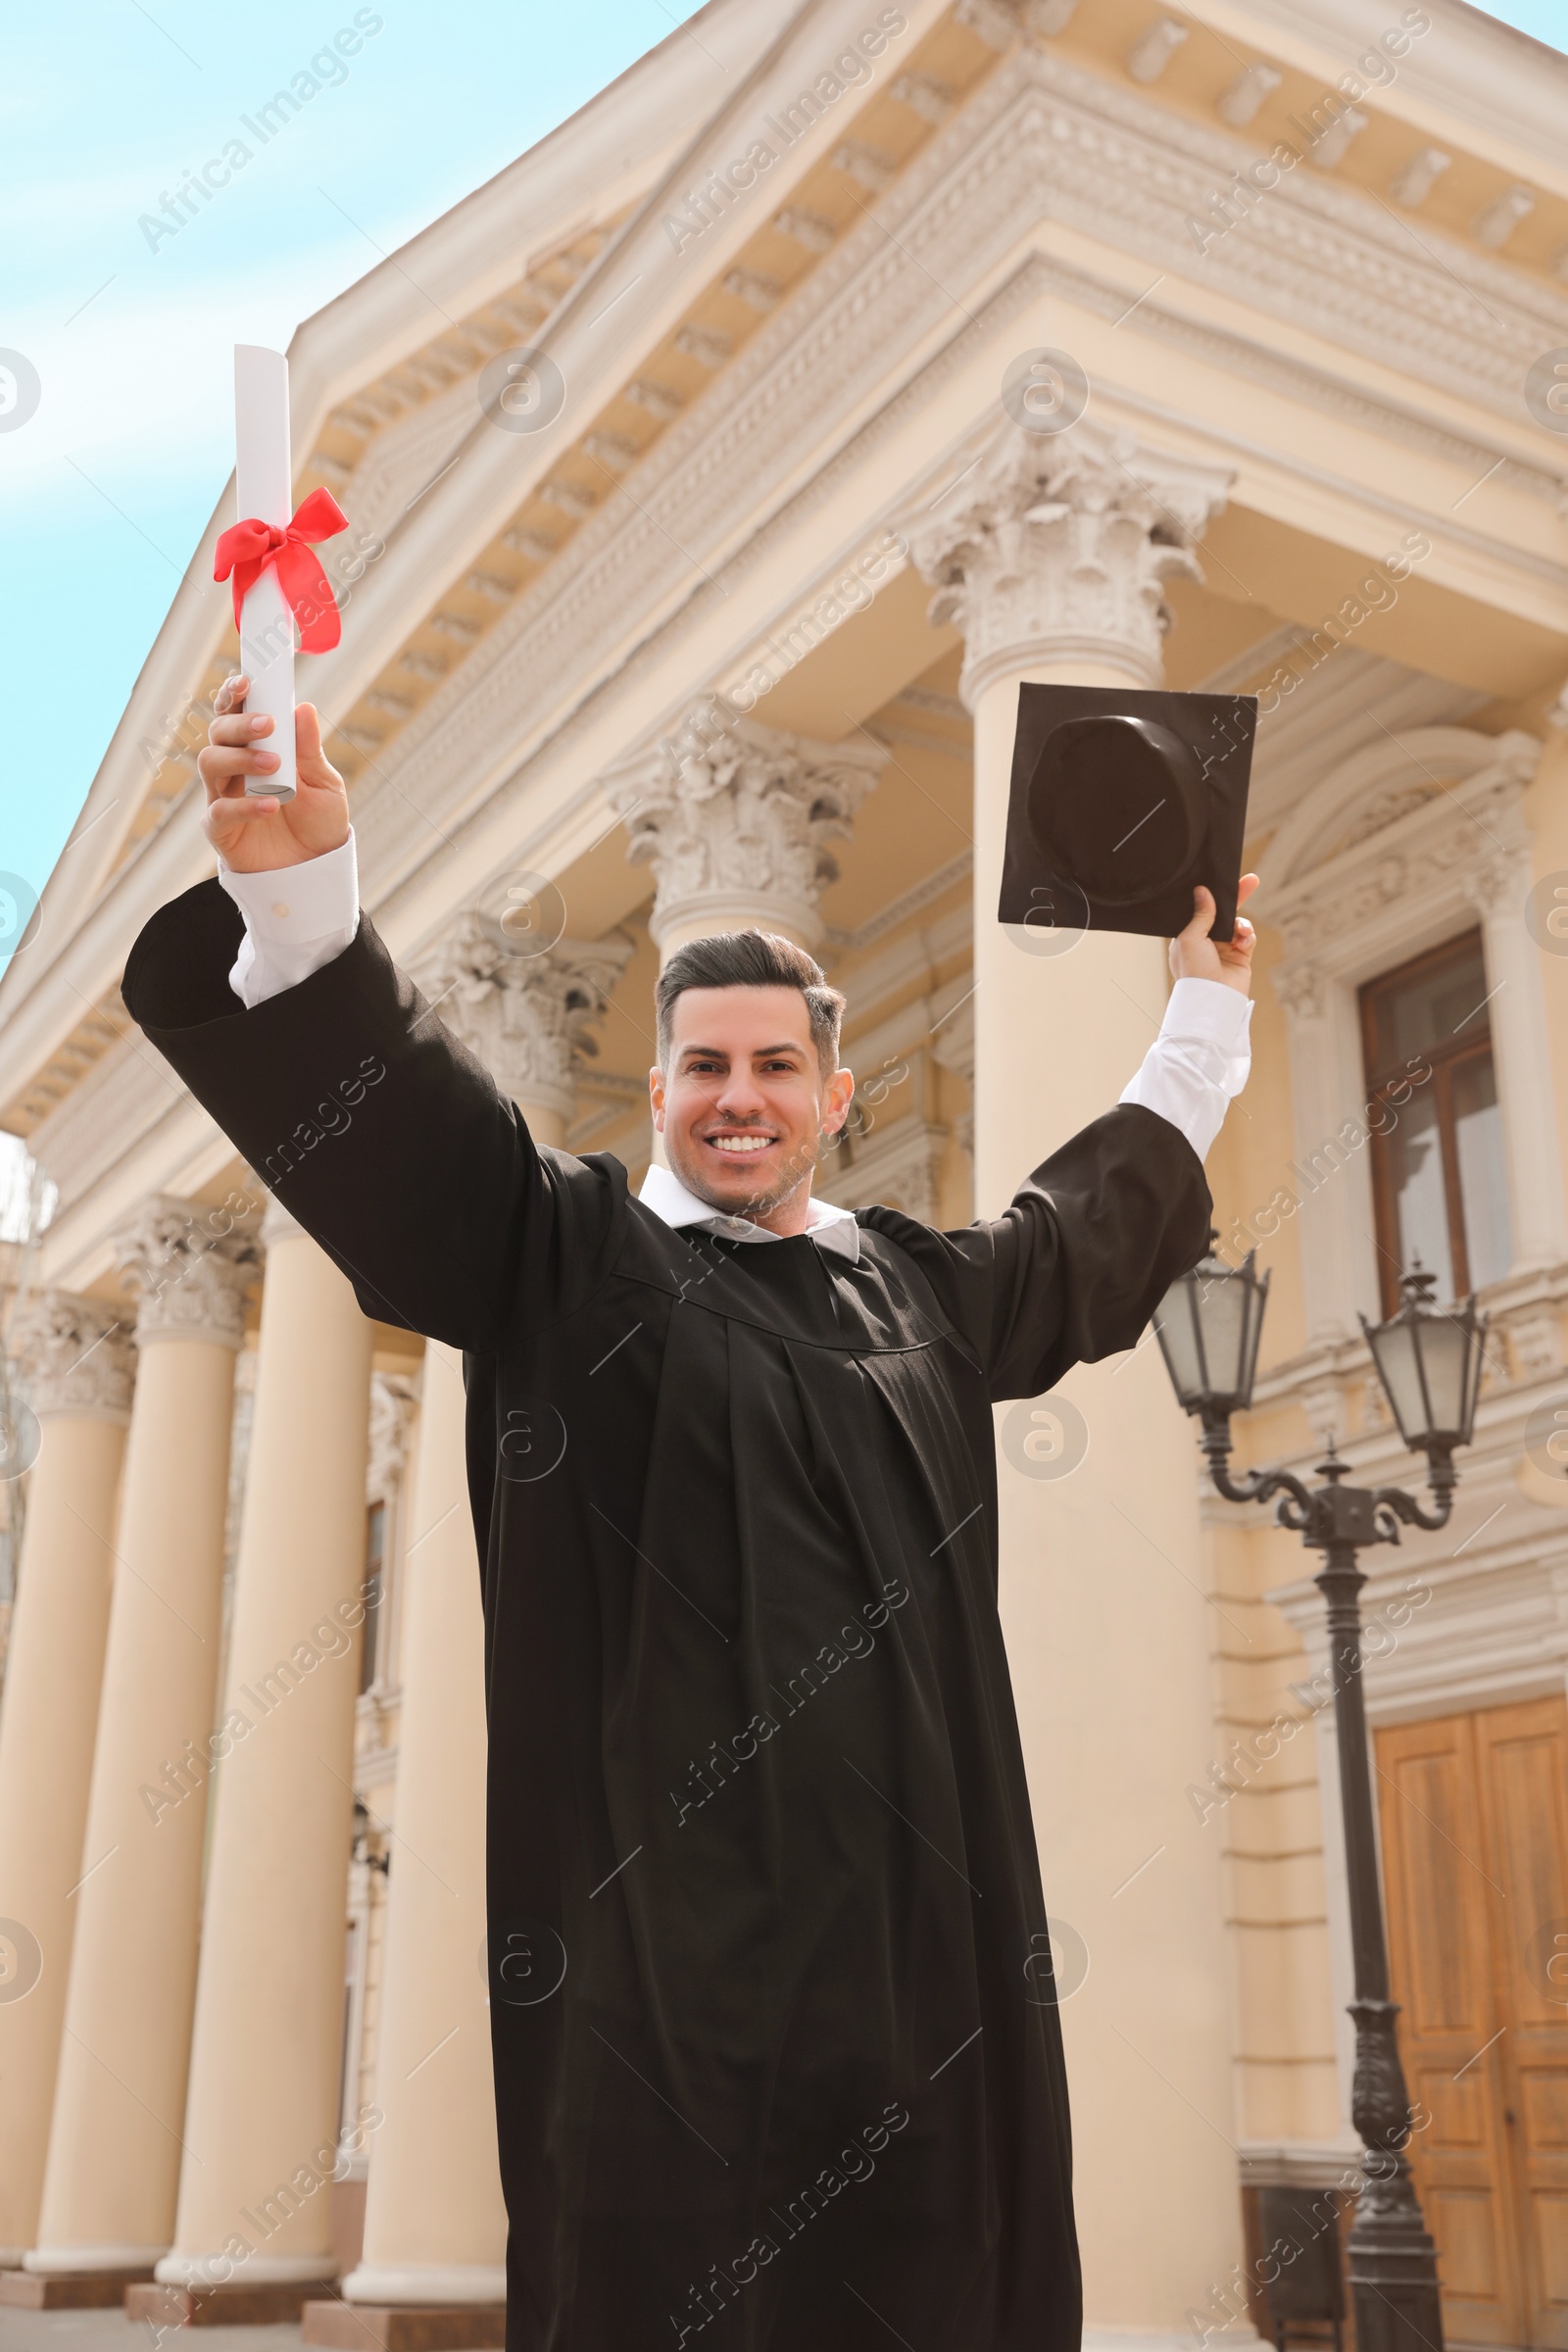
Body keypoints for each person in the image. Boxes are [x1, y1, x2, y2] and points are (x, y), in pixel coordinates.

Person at [123, 680, 1257, 2352]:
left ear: (836, 1093)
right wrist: (303, 901)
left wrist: (1203, 1016)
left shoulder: (916, 1295)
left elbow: (1083, 1238)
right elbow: (426, 1153)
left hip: (920, 1996)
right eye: (707, 1068)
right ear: (656, 1095)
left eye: (778, 1067)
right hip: (670, 2022)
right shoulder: (572, 1263)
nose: (743, 1096)